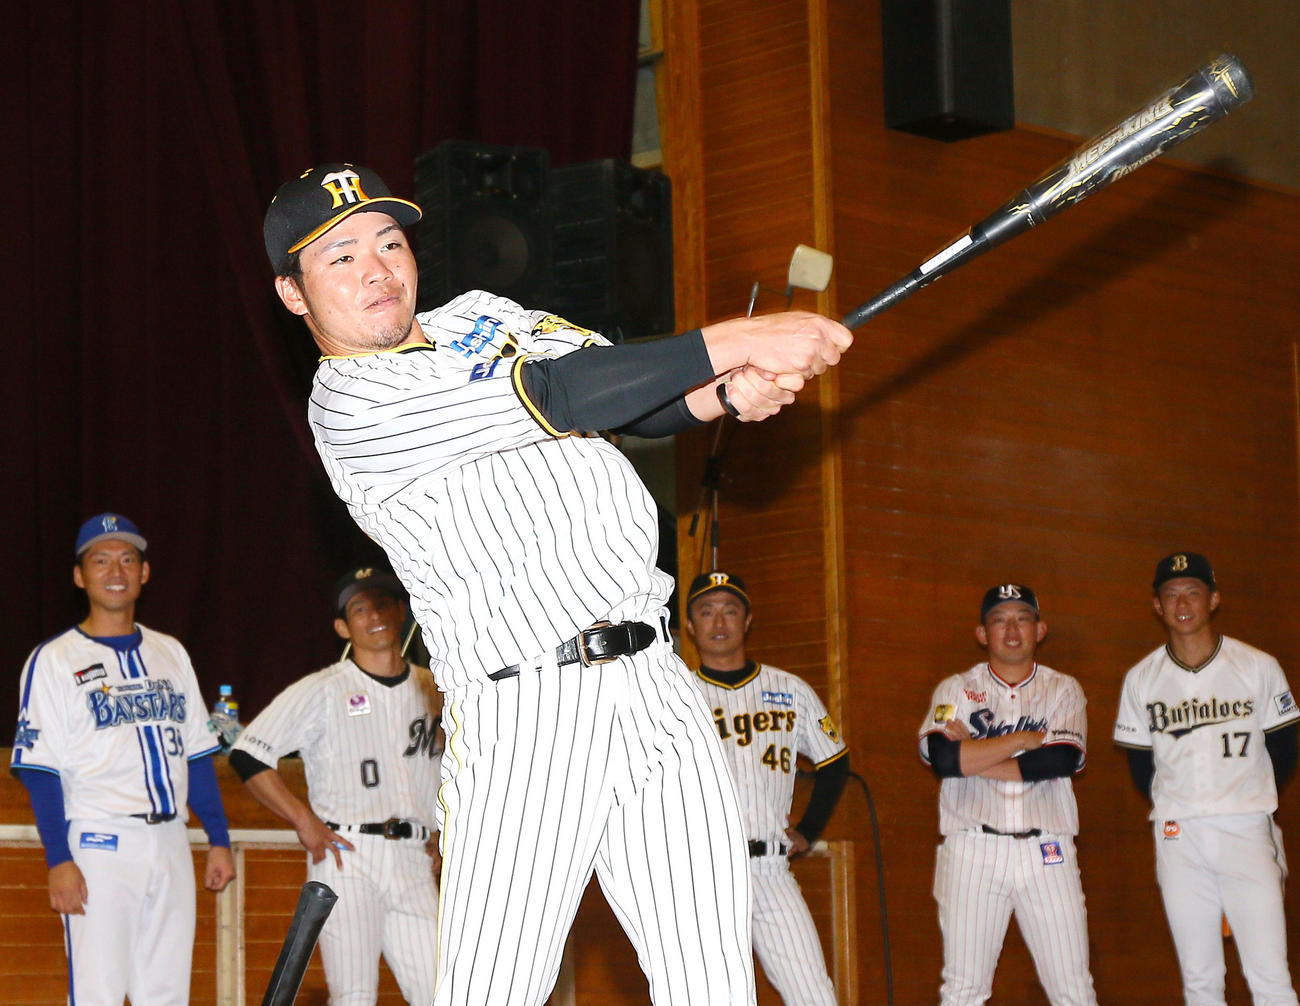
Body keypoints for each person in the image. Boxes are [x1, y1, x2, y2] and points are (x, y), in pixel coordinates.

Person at [263, 161, 852, 1006]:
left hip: (656, 686)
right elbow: (556, 392)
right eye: (342, 258)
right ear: (295, 294)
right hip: (525, 712)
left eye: (389, 242)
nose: (378, 269)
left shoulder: (480, 314)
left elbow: (625, 398)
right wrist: (738, 339)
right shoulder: (350, 402)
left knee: (712, 983)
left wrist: (722, 393)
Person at [10, 513, 236, 1006]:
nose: (116, 570)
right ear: (80, 576)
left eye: (128, 559)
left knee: (167, 993)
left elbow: (196, 753)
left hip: (171, 838)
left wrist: (218, 838)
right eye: (100, 560)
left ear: (144, 572)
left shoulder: (170, 652)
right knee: (99, 993)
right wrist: (59, 858)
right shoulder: (53, 659)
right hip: (100, 839)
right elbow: (38, 767)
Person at [229, 566, 443, 1006]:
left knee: (445, 992)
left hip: (415, 859)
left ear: (402, 610)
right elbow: (248, 752)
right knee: (354, 996)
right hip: (347, 855)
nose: (374, 615)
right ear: (343, 626)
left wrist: (449, 833)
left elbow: (463, 769)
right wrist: (302, 819)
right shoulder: (326, 688)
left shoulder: (435, 688)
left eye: (383, 603)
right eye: (359, 608)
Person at [1114, 552, 1299, 1006]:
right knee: (1200, 979)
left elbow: (1285, 749)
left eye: (1193, 592)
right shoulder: (1141, 679)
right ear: (1157, 606)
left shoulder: (1257, 665)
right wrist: (1185, 803)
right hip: (1178, 835)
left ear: (1213, 600)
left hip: (1245, 827)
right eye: (1170, 594)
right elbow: (1142, 767)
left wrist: (1244, 795)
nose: (1182, 603)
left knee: (1270, 975)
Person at [917, 583, 1097, 1006]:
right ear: (982, 633)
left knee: (1073, 990)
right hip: (972, 850)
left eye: (1022, 618)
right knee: (964, 989)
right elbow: (943, 759)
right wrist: (1023, 739)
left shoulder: (1063, 689)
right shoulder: (955, 689)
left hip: (1047, 850)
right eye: (1000, 619)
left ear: (1040, 630)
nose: (1012, 629)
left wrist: (973, 757)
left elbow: (1060, 760)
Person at [684, 570, 849, 1006]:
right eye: (706, 611)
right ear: (689, 626)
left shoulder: (789, 689)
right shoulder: (676, 694)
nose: (719, 621)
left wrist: (809, 830)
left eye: (730, 610)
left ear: (748, 620)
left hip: (771, 868)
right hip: (704, 870)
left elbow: (835, 760)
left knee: (814, 996)